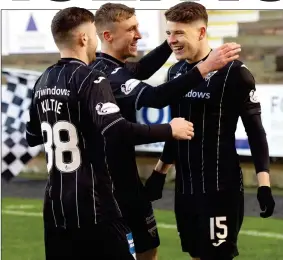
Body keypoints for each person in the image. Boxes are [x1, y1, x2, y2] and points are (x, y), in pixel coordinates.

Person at [25, 7, 195, 260]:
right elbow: (116, 130)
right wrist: (170, 129)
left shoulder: (44, 80)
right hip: (94, 204)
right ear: (84, 38)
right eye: (94, 34)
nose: (97, 41)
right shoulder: (91, 78)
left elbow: (32, 136)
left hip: (56, 204)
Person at [90, 3, 241, 260]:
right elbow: (157, 97)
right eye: (132, 29)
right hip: (109, 188)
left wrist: (175, 39)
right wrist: (204, 67)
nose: (139, 34)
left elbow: (143, 68)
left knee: (148, 249)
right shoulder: (104, 75)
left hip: (130, 183)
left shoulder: (119, 68)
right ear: (108, 36)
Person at [145, 2, 276, 260]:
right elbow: (176, 129)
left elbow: (256, 133)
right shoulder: (175, 72)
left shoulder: (235, 73)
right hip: (185, 188)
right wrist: (159, 172)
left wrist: (264, 185)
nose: (172, 40)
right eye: (169, 33)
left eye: (179, 33)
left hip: (220, 188)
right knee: (196, 255)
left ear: (202, 32)